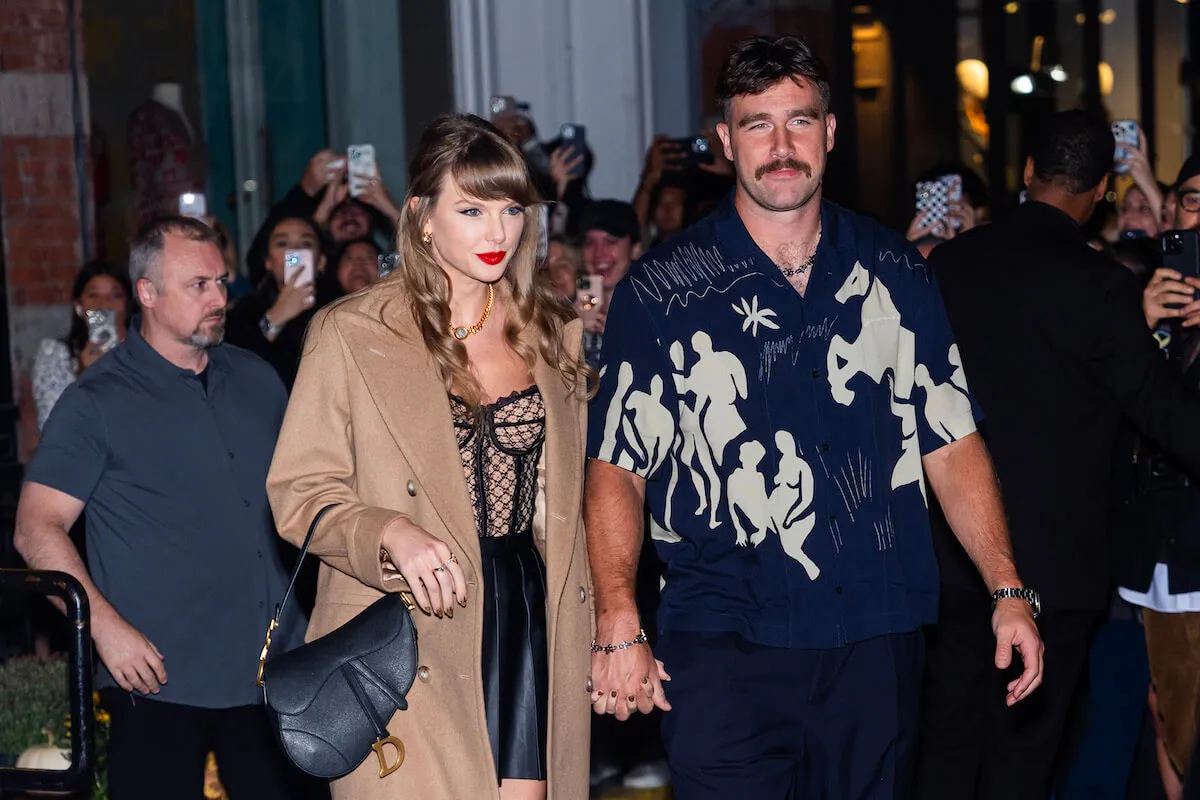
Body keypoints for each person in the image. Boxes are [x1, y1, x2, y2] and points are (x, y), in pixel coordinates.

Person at [585, 35, 1042, 799]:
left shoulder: (897, 273)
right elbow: (617, 467)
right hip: (722, 638)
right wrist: (618, 618)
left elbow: (951, 439)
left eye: (799, 121)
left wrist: (1007, 589)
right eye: (757, 125)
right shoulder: (662, 292)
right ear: (726, 141)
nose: (781, 146)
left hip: (875, 631)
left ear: (831, 132)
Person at [266, 113, 593, 800]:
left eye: (510, 209)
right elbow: (299, 491)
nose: (496, 232)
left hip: (529, 615)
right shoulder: (351, 332)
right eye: (471, 209)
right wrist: (387, 531)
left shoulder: (553, 332)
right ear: (420, 217)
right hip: (406, 628)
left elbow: (574, 501)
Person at [915, 111, 1200, 799]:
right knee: (1024, 760)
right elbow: (1166, 416)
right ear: (1103, 189)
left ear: (1024, 173)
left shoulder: (951, 264)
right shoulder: (1102, 288)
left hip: (952, 553)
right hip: (1059, 563)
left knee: (946, 748)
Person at [13, 216, 304, 798]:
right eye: (199, 285)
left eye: (222, 282)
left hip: (276, 674)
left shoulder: (256, 379)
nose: (220, 299)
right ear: (146, 292)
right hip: (157, 678)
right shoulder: (95, 400)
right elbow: (34, 529)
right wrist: (103, 629)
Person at [225, 213, 331, 391]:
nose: (294, 251)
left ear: (320, 261)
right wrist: (275, 318)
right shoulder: (244, 310)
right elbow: (231, 369)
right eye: (282, 244)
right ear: (268, 261)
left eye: (306, 244)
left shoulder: (338, 309)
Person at [32, 260, 133, 431]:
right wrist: (85, 375)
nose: (104, 303)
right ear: (79, 306)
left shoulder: (144, 352)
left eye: (115, 295)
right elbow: (52, 427)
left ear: (127, 306)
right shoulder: (56, 353)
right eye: (93, 295)